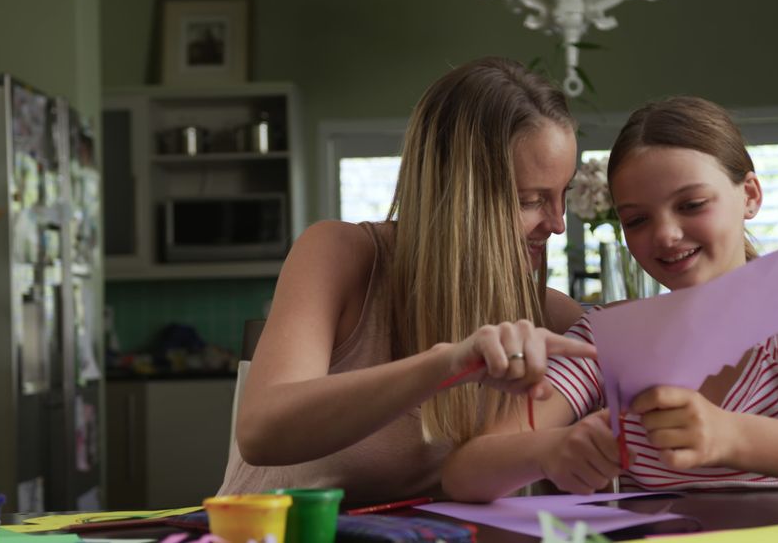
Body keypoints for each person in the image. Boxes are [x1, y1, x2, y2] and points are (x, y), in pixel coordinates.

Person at [443, 96, 778, 503]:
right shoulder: (608, 339)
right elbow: (465, 472)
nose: (664, 235)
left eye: (692, 205)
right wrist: (549, 450)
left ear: (749, 195)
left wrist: (732, 436)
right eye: (636, 219)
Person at [219, 57, 596, 505]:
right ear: (458, 195)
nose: (556, 224)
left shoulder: (553, 323)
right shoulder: (339, 254)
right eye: (531, 200)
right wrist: (447, 365)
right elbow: (262, 432)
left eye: (563, 194)